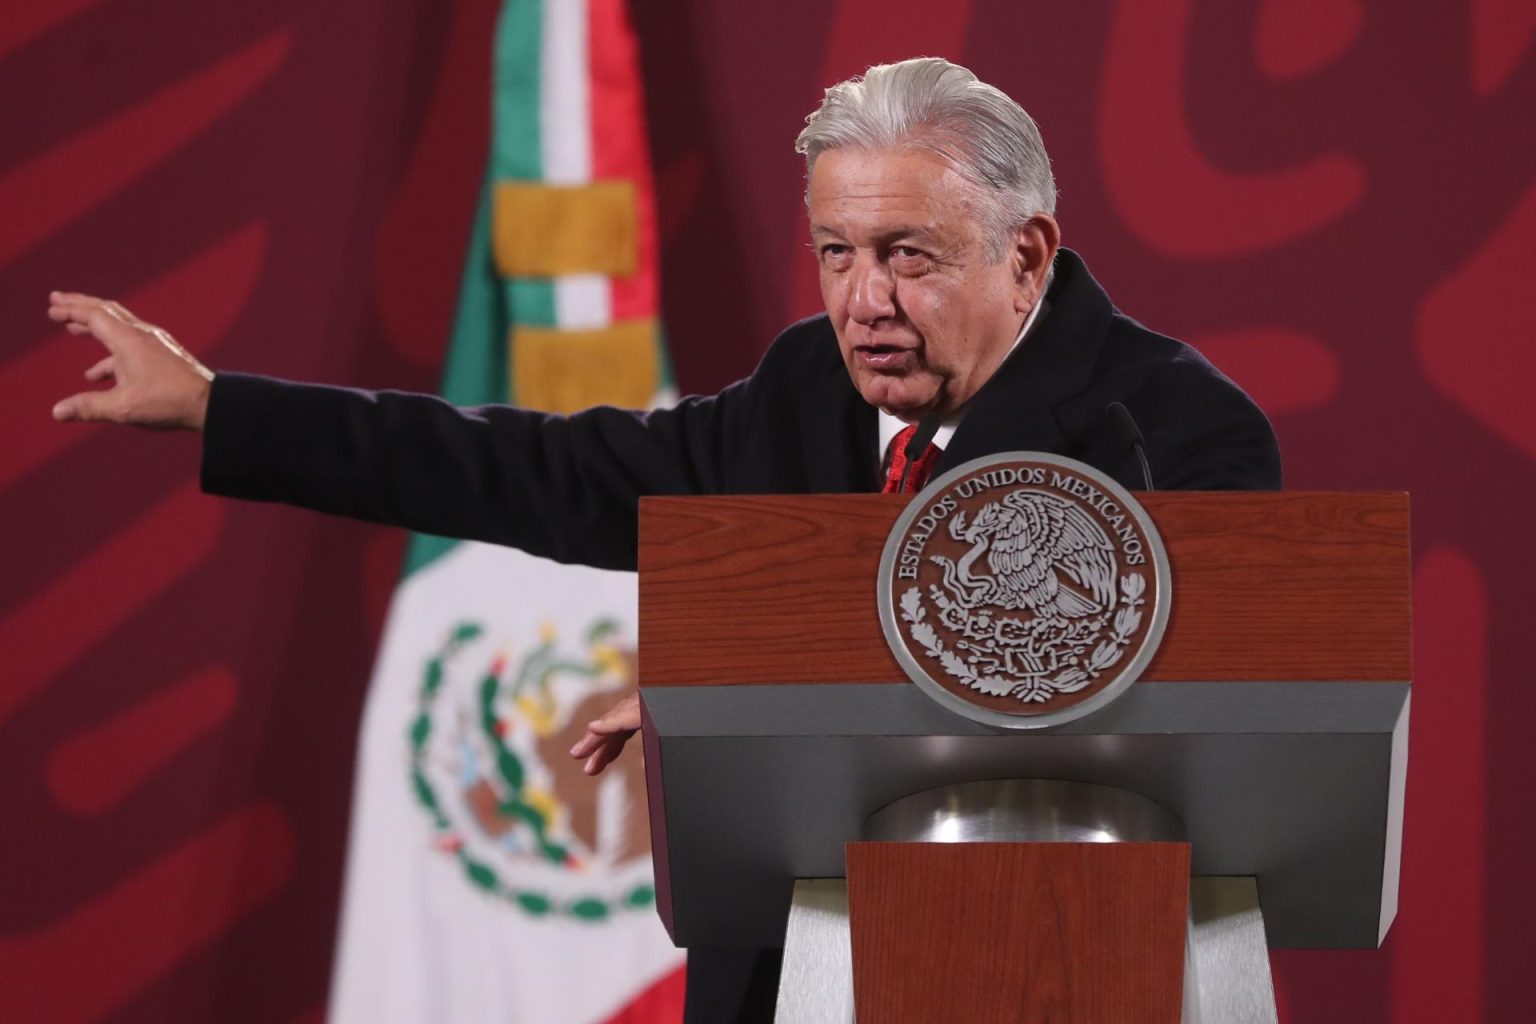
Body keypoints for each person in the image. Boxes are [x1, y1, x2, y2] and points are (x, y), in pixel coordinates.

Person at [49, 57, 1280, 1022]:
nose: (863, 302)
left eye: (909, 256)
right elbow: (548, 470)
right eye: (837, 254)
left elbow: (1154, 673)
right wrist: (225, 407)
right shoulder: (809, 388)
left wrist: (765, 694)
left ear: (1027, 255)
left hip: (1056, 970)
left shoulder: (1167, 427)